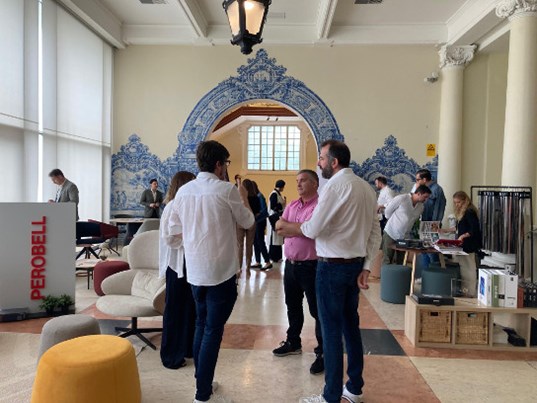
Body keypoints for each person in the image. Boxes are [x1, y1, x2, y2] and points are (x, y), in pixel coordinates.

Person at [276, 140, 381, 403]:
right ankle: (354, 388)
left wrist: (289, 227)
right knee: (350, 327)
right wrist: (366, 266)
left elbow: (313, 228)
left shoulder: (333, 186)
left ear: (334, 162)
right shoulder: (366, 188)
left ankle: (330, 396)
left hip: (331, 266)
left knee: (331, 331)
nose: (318, 163)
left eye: (322, 158)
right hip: (354, 265)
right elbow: (375, 232)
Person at [167, 140, 254, 403]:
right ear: (218, 164)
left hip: (195, 272)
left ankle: (202, 382)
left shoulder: (184, 192)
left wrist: (194, 244)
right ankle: (202, 395)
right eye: (226, 163)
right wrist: (243, 196)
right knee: (212, 331)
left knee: (201, 325)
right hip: (221, 273)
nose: (226, 168)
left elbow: (172, 234)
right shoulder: (226, 190)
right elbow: (248, 221)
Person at [272, 169, 324, 375]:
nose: (298, 184)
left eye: (303, 180)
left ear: (315, 183)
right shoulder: (292, 204)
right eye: (297, 181)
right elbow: (278, 226)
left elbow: (312, 231)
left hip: (311, 266)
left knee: (317, 310)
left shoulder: (320, 206)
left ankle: (323, 351)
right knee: (292, 306)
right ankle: (293, 341)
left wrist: (293, 227)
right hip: (291, 265)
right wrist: (300, 228)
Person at [159, 171, 196, 370]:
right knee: (175, 310)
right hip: (176, 265)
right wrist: (192, 237)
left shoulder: (183, 205)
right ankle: (171, 355)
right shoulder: (173, 206)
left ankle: (187, 348)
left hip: (188, 263)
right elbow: (169, 238)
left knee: (189, 308)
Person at [442, 191, 482, 297]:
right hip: (463, 244)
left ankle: (470, 292)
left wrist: (463, 236)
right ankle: (465, 291)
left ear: (465, 201)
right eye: (455, 203)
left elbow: (474, 229)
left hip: (469, 244)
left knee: (469, 269)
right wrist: (445, 230)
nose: (457, 205)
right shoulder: (463, 212)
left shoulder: (469, 212)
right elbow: (459, 227)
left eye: (458, 202)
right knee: (464, 268)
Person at [382, 185, 432, 265]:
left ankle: (399, 274)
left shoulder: (421, 207)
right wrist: (395, 223)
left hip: (405, 237)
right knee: (387, 259)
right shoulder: (402, 198)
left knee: (401, 261)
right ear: (418, 194)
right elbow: (387, 212)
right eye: (425, 197)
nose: (426, 200)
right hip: (390, 233)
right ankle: (385, 273)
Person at [236, 179, 257, 276]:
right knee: (249, 245)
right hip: (252, 221)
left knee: (239, 245)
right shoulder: (255, 197)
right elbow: (258, 211)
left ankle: (239, 267)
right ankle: (248, 267)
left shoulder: (239, 197)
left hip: (240, 221)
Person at [251, 181, 272, 270]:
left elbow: (264, 210)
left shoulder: (260, 196)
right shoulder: (255, 196)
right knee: (255, 241)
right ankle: (258, 261)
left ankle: (267, 261)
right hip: (256, 221)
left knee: (260, 241)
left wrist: (256, 215)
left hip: (260, 222)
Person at [268, 179, 286, 262]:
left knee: (278, 238)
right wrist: (282, 204)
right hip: (274, 218)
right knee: (274, 239)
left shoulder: (277, 194)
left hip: (277, 218)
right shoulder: (274, 194)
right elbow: (273, 207)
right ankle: (274, 257)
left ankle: (278, 256)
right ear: (282, 186)